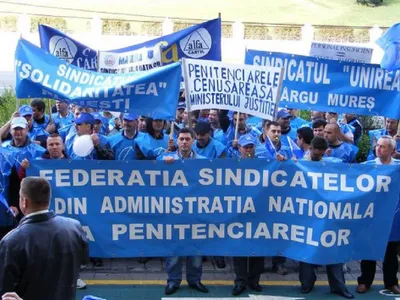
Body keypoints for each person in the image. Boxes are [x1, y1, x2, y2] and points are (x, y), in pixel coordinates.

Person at [0, 177, 89, 299]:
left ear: (24, 202)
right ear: (48, 199)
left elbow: (5, 289)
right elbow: (83, 262)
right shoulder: (74, 227)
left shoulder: (12, 241)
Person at [299, 136, 354, 299]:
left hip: (327, 214)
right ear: (310, 149)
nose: (319, 156)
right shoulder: (300, 164)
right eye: (317, 154)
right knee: (307, 249)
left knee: (333, 248)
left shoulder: (330, 164)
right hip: (307, 214)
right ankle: (307, 283)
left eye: (322, 154)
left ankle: (338, 286)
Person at [158, 128, 208, 295]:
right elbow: (153, 178)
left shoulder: (204, 161)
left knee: (196, 250)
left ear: (193, 140)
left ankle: (195, 280)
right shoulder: (165, 160)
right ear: (177, 141)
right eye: (182, 139)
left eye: (187, 139)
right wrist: (164, 166)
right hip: (173, 213)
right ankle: (173, 281)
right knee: (173, 250)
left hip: (196, 213)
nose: (185, 142)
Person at [357, 136, 400, 294]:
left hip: (392, 217)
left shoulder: (398, 168)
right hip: (371, 216)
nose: (378, 149)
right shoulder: (367, 167)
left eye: (383, 146)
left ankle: (391, 282)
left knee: (390, 252)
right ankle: (365, 281)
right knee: (368, 250)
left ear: (392, 151)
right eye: (378, 146)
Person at [232, 134, 265, 296]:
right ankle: (240, 281)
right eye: (246, 147)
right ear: (240, 149)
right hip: (239, 214)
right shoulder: (233, 166)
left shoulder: (264, 164)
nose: (249, 150)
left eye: (251, 146)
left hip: (258, 213)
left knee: (258, 249)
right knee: (239, 250)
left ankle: (254, 280)